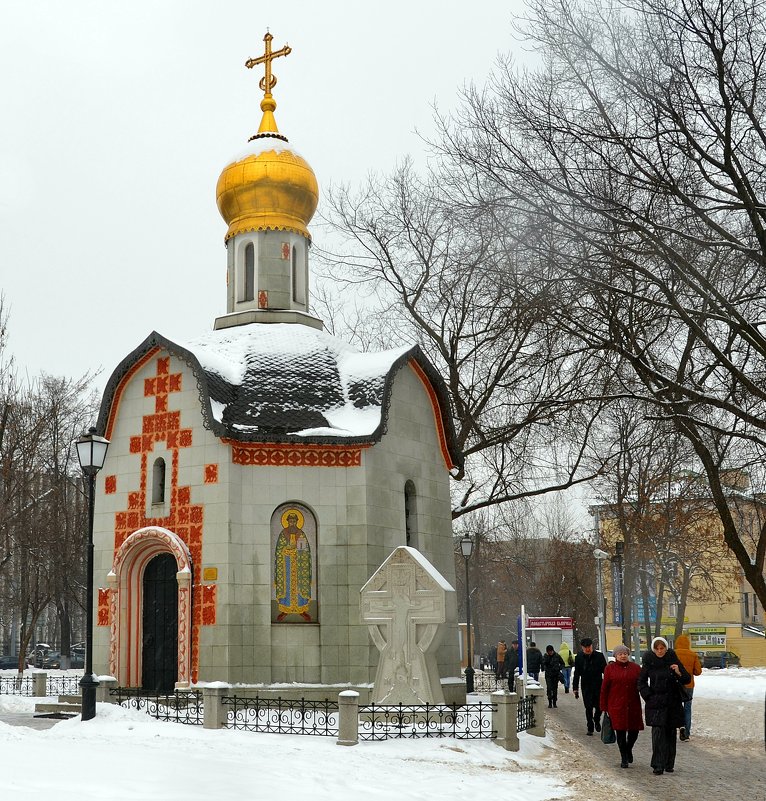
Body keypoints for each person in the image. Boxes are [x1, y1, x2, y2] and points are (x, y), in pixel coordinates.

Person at [638, 636, 691, 775]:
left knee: (670, 733)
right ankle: (657, 765)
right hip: (656, 701)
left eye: (662, 648)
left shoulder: (672, 659)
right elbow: (641, 682)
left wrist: (678, 671)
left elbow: (686, 679)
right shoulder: (649, 661)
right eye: (657, 648)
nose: (660, 651)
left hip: (672, 701)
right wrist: (649, 696)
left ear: (666, 648)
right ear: (653, 649)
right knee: (657, 733)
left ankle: (669, 764)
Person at [600, 644, 644, 768]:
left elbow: (642, 684)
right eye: (620, 654)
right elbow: (604, 688)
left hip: (633, 704)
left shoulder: (635, 668)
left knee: (634, 731)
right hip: (616, 705)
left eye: (625, 653)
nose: (623, 656)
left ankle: (628, 748)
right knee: (620, 732)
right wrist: (604, 706)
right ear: (615, 656)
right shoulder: (610, 669)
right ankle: (624, 757)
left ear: (628, 655)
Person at [572, 637, 607, 735]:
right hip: (586, 686)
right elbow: (576, 674)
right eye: (585, 647)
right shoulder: (579, 657)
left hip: (598, 685)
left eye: (589, 646)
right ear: (582, 647)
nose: (588, 649)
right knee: (588, 707)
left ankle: (596, 719)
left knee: (599, 706)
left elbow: (606, 671)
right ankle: (590, 726)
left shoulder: (599, 656)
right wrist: (575, 688)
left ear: (592, 646)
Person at [673, 634, 702, 740]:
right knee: (687, 708)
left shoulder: (674, 654)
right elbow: (698, 671)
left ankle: (679, 726)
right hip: (689, 685)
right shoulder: (693, 655)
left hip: (676, 684)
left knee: (676, 706)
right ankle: (686, 733)